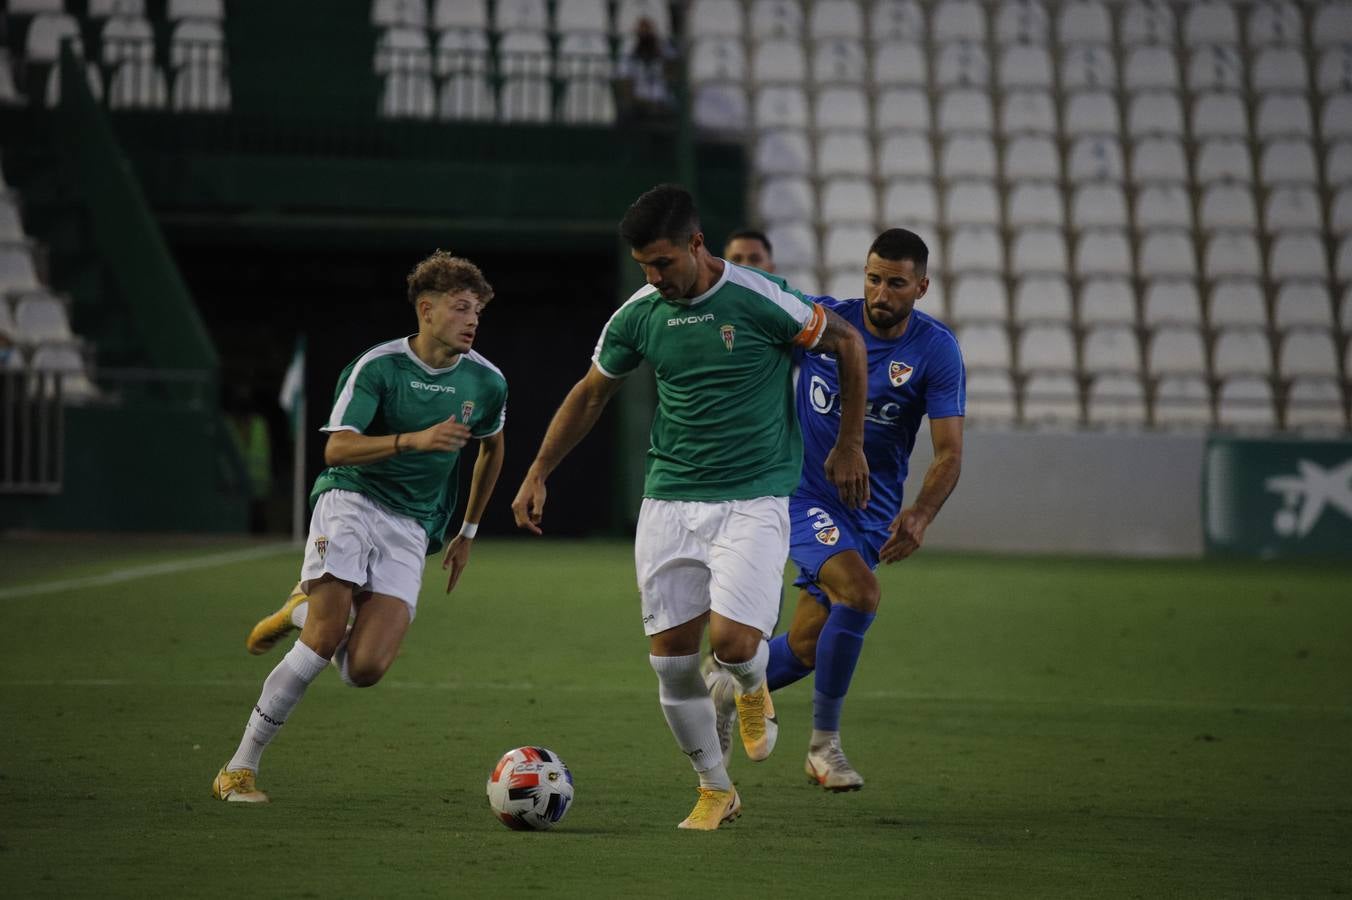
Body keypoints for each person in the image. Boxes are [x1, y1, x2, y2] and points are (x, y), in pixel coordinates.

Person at [511, 184, 870, 830]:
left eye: (663, 263)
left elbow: (847, 343)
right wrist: (539, 470)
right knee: (672, 665)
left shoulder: (760, 299)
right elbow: (592, 393)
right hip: (669, 503)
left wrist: (849, 442)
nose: (654, 277)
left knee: (733, 645)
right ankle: (714, 788)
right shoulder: (640, 313)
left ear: (696, 245)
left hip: (753, 499)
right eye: (644, 266)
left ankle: (752, 684)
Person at [212, 250, 507, 803]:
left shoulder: (486, 382)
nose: (472, 320)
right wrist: (411, 440)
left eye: (478, 312)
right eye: (462, 308)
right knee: (325, 638)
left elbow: (493, 447)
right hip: (351, 498)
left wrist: (466, 532)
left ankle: (297, 609)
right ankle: (239, 767)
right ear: (426, 309)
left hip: (412, 524)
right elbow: (336, 448)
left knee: (364, 669)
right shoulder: (379, 367)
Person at [707, 228, 965, 792]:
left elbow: (949, 452)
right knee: (862, 592)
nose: (881, 293)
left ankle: (727, 683)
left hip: (870, 512)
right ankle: (825, 747)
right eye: (874, 278)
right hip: (800, 493)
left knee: (805, 647)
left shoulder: (936, 350)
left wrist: (919, 514)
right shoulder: (825, 320)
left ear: (921, 287)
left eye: (896, 283)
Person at [616, 17, 678, 123]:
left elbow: (673, 58)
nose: (645, 33)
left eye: (647, 30)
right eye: (642, 30)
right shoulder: (631, 50)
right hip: (638, 101)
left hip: (660, 100)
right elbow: (622, 74)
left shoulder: (662, 47)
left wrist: (658, 44)